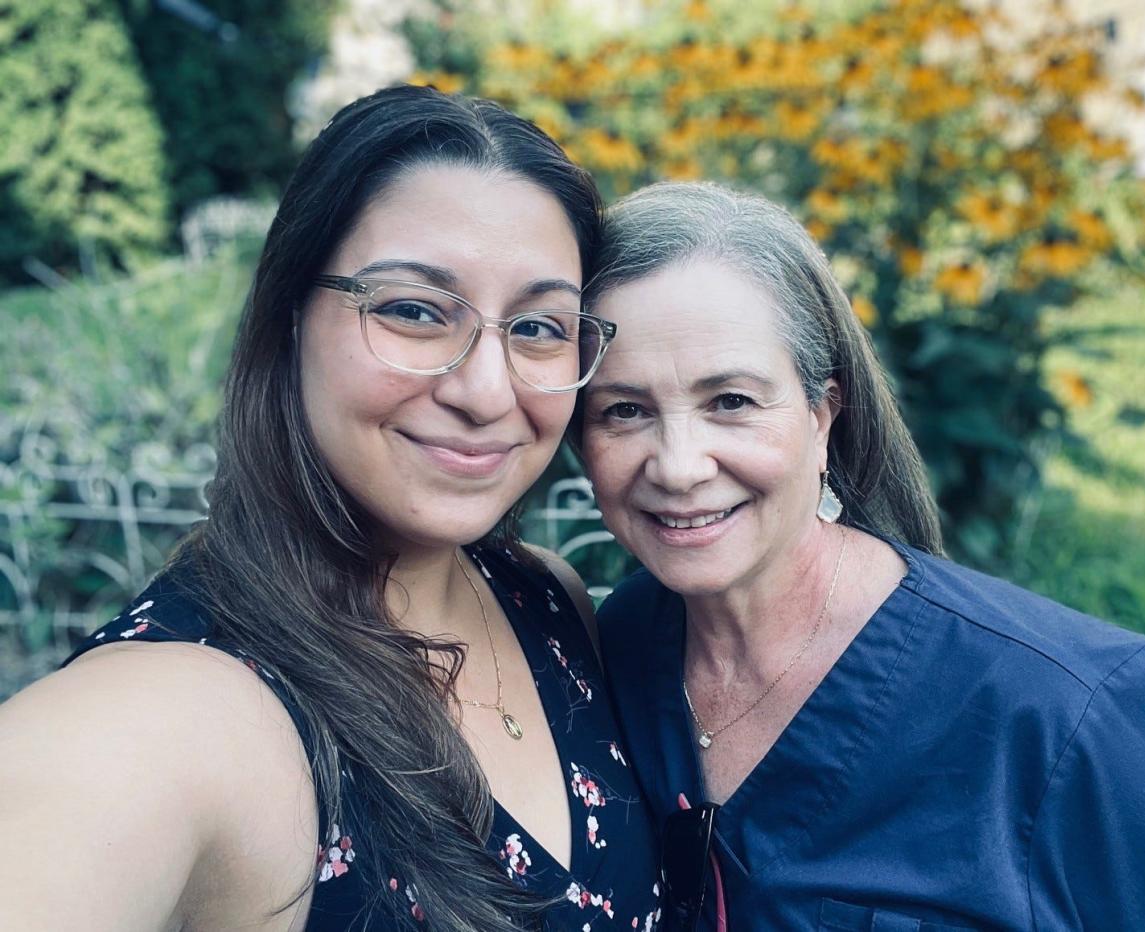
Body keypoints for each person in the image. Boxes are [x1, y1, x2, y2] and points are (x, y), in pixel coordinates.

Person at [0, 86, 662, 931]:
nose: (488, 392)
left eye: (538, 327)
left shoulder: (549, 598)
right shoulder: (188, 709)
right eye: (414, 310)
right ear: (288, 320)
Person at [580, 181, 1145, 931]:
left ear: (823, 415)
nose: (678, 465)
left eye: (730, 401)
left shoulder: (1069, 712)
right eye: (623, 410)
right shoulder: (613, 654)